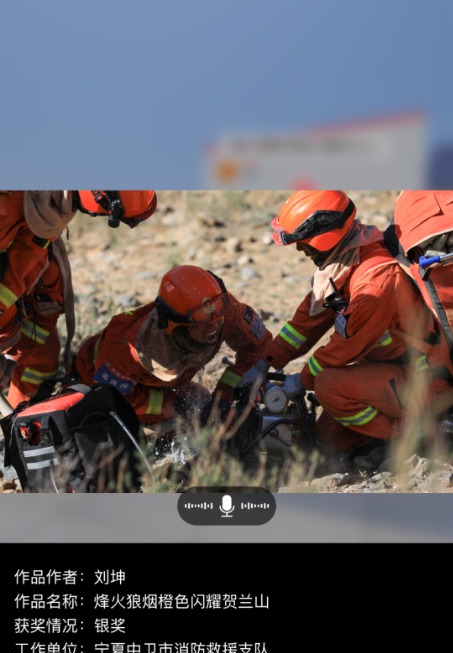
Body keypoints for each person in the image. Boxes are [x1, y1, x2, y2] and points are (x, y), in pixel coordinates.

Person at [239, 190, 453, 455]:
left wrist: (302, 380)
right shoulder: (343, 264)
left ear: (324, 237)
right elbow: (303, 325)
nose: (300, 249)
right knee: (328, 439)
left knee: (328, 386)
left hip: (426, 381)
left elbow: (341, 350)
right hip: (392, 371)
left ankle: (419, 437)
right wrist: (265, 362)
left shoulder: (375, 285)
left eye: (302, 242)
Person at [0, 190, 157, 408]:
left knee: (42, 354)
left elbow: (22, 262)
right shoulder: (13, 201)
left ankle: (20, 419)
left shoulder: (50, 208)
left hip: (21, 294)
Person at [74, 265, 272, 428]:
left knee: (203, 402)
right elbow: (111, 398)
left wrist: (226, 392)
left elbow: (259, 346)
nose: (214, 324)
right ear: (174, 323)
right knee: (181, 420)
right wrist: (172, 405)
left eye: (218, 308)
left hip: (169, 385)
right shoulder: (128, 350)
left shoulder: (226, 312)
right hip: (96, 381)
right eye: (201, 318)